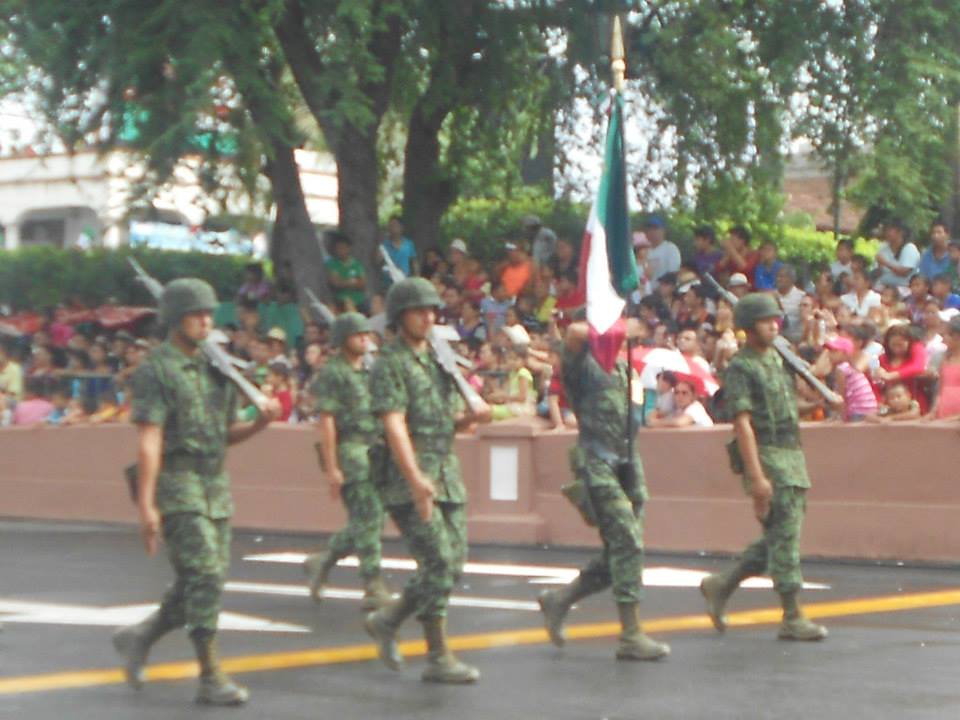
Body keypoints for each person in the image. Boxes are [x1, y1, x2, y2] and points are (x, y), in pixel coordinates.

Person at [112, 279, 281, 706]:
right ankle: (210, 675)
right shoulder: (157, 369)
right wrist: (148, 504)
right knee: (204, 574)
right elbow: (150, 438)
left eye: (209, 313)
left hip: (214, 483)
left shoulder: (218, 368)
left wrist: (261, 423)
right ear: (174, 319)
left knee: (204, 579)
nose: (206, 321)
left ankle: (141, 635)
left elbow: (225, 434)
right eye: (195, 314)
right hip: (177, 483)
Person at [365, 277, 491, 684]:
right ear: (401, 316)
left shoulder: (440, 360)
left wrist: (471, 417)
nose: (429, 317)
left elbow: (443, 421)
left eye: (433, 310)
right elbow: (394, 424)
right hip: (409, 477)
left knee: (451, 564)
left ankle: (389, 620)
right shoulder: (391, 363)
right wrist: (416, 478)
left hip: (446, 474)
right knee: (437, 561)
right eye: (420, 310)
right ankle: (437, 654)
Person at [537, 317, 670, 662]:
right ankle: (630, 633)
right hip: (596, 459)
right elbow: (575, 334)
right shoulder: (580, 362)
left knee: (621, 551)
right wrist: (617, 327)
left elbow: (636, 414)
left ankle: (561, 599)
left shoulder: (625, 368)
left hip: (626, 460)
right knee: (627, 541)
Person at [700, 293, 828, 642]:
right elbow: (742, 423)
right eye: (764, 320)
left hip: (792, 454)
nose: (774, 324)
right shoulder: (742, 367)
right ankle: (792, 614)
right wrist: (757, 477)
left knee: (780, 535)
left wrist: (820, 402)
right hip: (769, 455)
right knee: (785, 538)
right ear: (747, 328)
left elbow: (785, 405)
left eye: (776, 319)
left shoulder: (778, 359)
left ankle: (722, 584)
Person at [303, 313, 390, 610]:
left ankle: (323, 560)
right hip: (350, 450)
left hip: (375, 450)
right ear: (342, 340)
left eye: (367, 333)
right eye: (358, 335)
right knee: (368, 518)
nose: (365, 338)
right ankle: (372, 584)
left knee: (371, 520)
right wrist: (332, 468)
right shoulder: (333, 374)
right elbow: (326, 421)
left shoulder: (369, 371)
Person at [823, 336, 877, 422]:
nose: (830, 355)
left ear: (845, 353)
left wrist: (842, 418)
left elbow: (841, 397)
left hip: (858, 411)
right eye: (829, 351)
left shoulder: (841, 369)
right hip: (870, 409)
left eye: (834, 351)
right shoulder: (851, 367)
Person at [928, 315, 960, 420]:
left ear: (957, 337)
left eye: (946, 335)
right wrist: (933, 412)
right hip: (945, 405)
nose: (943, 339)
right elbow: (940, 390)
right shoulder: (944, 359)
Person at [325, 232, 367, 312]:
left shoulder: (357, 264)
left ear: (349, 248)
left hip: (359, 300)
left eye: (344, 248)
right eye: (339, 248)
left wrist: (344, 282)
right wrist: (353, 282)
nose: (341, 251)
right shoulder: (332, 264)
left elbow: (363, 284)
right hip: (341, 301)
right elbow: (336, 283)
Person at [874, 219, 920, 290]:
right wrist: (879, 265)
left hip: (905, 288)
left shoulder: (909, 248)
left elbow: (904, 272)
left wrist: (885, 263)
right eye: (885, 230)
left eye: (889, 230)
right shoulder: (883, 248)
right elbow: (879, 272)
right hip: (884, 285)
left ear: (900, 232)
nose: (886, 233)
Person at [644, 216, 681, 281]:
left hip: (663, 289)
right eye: (649, 229)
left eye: (655, 229)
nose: (652, 232)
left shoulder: (671, 249)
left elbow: (673, 272)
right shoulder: (642, 251)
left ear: (663, 230)